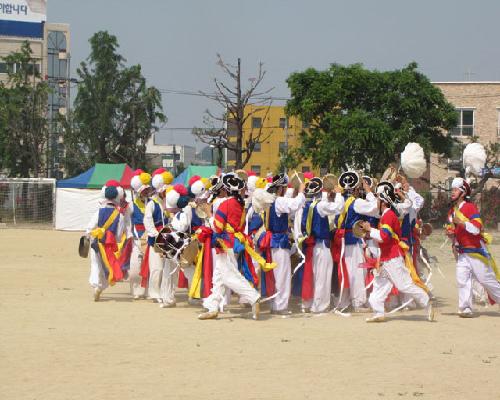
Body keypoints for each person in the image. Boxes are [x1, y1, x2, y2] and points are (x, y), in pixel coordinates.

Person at [360, 182, 434, 323]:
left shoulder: (388, 216)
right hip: (386, 257)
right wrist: (369, 234)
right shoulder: (387, 215)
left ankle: (426, 303)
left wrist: (370, 230)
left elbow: (384, 236)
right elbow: (383, 237)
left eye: (378, 199)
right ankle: (378, 312)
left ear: (383, 201)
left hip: (393, 258)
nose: (376, 202)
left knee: (404, 285)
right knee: (379, 284)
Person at [199, 173, 268, 320]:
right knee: (218, 277)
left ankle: (253, 297)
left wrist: (208, 213)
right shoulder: (239, 204)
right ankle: (213, 308)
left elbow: (217, 227)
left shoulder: (225, 204)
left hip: (225, 243)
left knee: (228, 276)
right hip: (233, 241)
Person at [446, 177, 500, 318]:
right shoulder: (452, 211)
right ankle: (466, 308)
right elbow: (455, 231)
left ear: (463, 193)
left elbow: (477, 228)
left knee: (486, 280)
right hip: (463, 252)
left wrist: (462, 223)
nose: (452, 192)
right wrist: (451, 234)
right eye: (452, 189)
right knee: (462, 280)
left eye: (455, 190)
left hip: (476, 250)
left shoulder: (470, 208)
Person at [295, 177, 344, 313]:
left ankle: (316, 304)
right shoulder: (320, 205)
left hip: (317, 245)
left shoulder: (311, 205)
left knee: (317, 276)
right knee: (323, 276)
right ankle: (320, 306)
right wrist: (339, 194)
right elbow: (338, 208)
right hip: (322, 245)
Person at [264, 174, 305, 315]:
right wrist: (300, 191)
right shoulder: (279, 201)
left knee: (276, 275)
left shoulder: (273, 200)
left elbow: (292, 207)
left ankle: (276, 305)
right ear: (281, 188)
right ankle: (280, 306)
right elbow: (295, 204)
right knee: (282, 275)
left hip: (275, 242)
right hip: (279, 242)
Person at [86, 180, 128, 301]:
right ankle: (100, 287)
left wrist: (92, 235)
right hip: (109, 246)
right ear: (117, 197)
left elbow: (89, 228)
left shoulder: (98, 212)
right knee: (107, 268)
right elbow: (119, 235)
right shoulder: (119, 215)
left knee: (95, 264)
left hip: (96, 242)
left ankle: (95, 284)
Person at [141, 168, 175, 307]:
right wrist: (156, 235)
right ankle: (154, 293)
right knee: (157, 268)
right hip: (156, 240)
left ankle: (167, 293)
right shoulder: (151, 204)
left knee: (169, 268)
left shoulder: (169, 202)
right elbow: (147, 222)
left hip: (169, 238)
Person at [129, 170, 153, 299]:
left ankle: (149, 290)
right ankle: (137, 290)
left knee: (151, 266)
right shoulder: (131, 205)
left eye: (147, 190)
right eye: (144, 190)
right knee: (135, 267)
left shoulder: (152, 203)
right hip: (137, 239)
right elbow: (127, 222)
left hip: (150, 238)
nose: (146, 192)